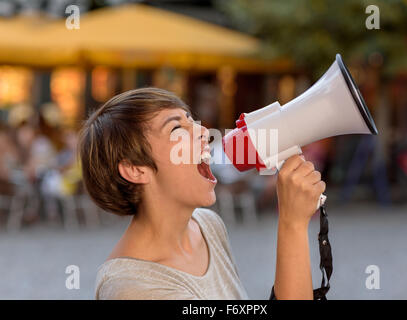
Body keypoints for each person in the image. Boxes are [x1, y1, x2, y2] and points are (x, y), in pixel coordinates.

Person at [78, 87, 325, 300]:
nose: (204, 131)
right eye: (176, 129)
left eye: (191, 120)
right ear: (135, 170)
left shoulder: (207, 225)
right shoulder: (133, 289)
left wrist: (294, 222)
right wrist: (292, 224)